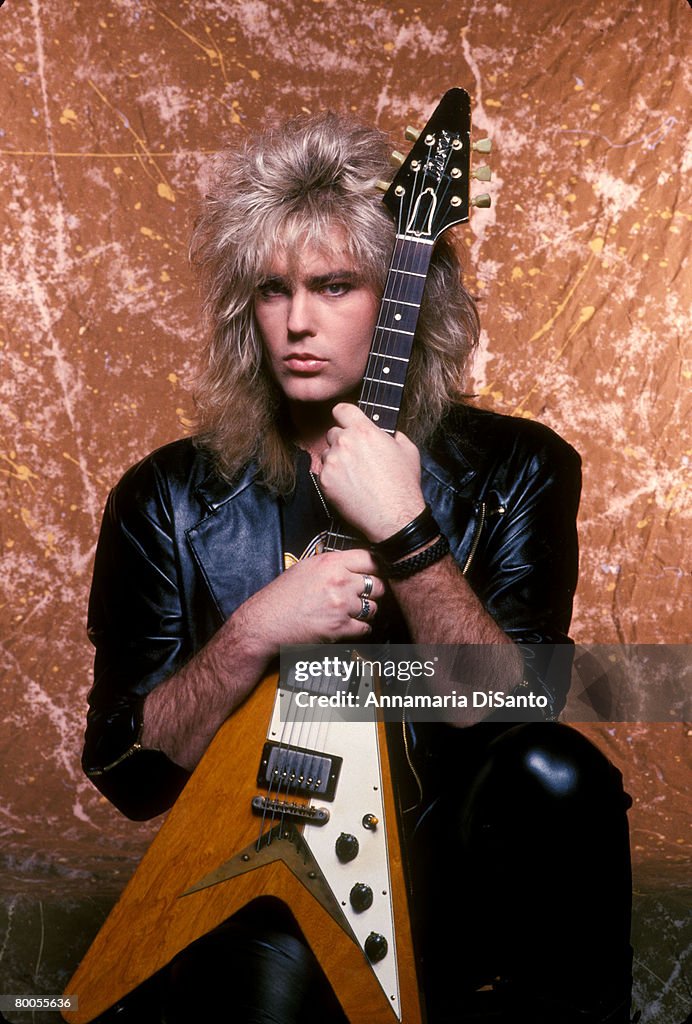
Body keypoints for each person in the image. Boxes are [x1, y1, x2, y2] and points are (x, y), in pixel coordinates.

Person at [82, 113, 633, 1023]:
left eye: (335, 286)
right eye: (273, 290)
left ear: (405, 301)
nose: (298, 321)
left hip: (453, 866)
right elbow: (130, 774)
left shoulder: (518, 469)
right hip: (259, 858)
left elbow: (503, 707)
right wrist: (259, 626)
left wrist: (407, 531)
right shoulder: (165, 500)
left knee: (557, 767)